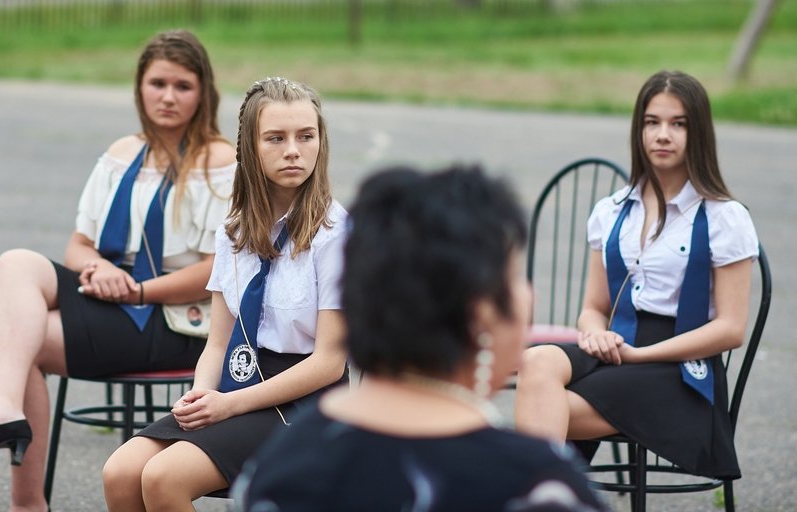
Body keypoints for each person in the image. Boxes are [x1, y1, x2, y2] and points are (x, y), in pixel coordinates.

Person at [0, 30, 236, 512]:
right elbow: (78, 245)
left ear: (204, 91)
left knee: (24, 345)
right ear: (139, 87)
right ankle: (4, 410)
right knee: (16, 262)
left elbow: (218, 269)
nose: (168, 96)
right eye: (157, 83)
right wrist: (100, 268)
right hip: (115, 297)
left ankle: (26, 504)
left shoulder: (219, 161)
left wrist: (140, 290)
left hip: (175, 318)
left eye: (182, 86)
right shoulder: (121, 154)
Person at [234, 165, 606, 512]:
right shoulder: (537, 485)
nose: (529, 293)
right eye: (514, 276)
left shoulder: (281, 460)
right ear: (481, 314)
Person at [102, 77, 349, 509]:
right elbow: (218, 342)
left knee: (163, 478)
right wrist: (201, 394)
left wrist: (230, 406)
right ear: (250, 150)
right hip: (236, 383)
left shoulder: (335, 233)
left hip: (305, 400)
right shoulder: (232, 232)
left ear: (320, 143)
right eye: (276, 138)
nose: (293, 149)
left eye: (305, 136)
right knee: (120, 473)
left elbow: (330, 363)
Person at [516, 70, 759, 481]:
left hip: (680, 365)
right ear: (639, 130)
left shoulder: (724, 217)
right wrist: (594, 333)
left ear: (698, 133)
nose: (662, 135)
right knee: (536, 361)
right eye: (652, 122)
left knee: (546, 408)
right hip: (617, 347)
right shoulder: (612, 210)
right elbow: (594, 308)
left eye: (677, 124)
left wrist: (640, 355)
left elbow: (731, 329)